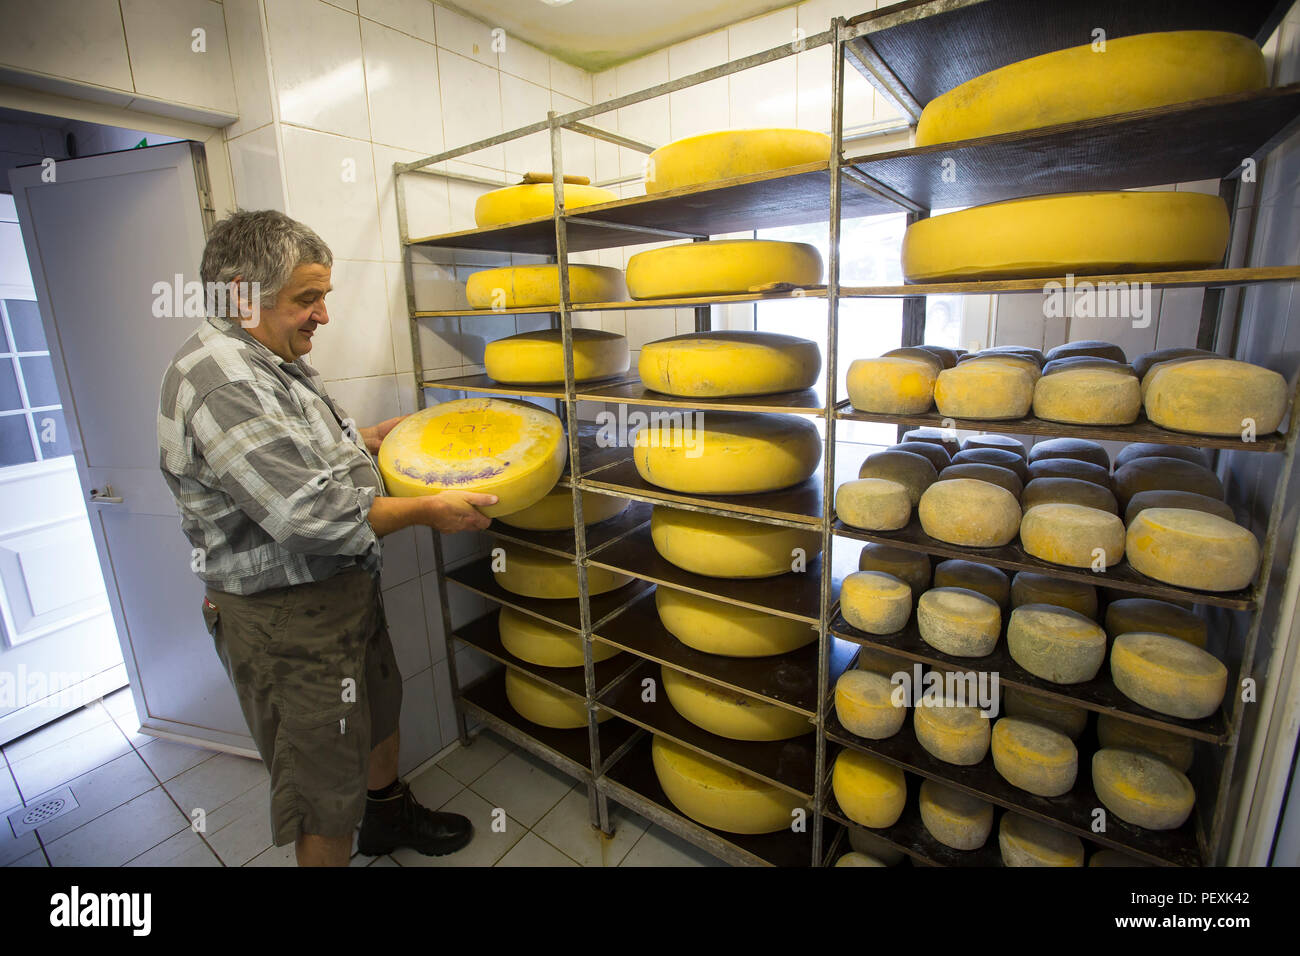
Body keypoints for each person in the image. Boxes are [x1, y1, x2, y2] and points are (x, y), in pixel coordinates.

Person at [157, 209, 495, 866]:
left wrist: (371, 440)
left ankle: (388, 819)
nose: (323, 315)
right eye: (307, 299)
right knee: (324, 788)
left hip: (339, 593)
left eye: (323, 296)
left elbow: (302, 456)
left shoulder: (271, 357)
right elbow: (304, 516)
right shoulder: (220, 377)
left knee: (376, 711)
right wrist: (428, 510)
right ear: (241, 296)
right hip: (286, 622)